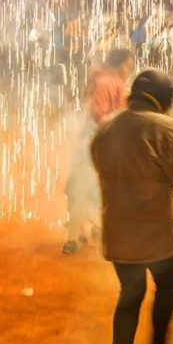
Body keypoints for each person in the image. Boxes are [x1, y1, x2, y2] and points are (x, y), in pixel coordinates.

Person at [91, 67, 173, 344]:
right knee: (168, 284)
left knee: (131, 293)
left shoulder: (106, 127)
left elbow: (100, 164)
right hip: (155, 231)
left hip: (118, 227)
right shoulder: (165, 128)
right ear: (164, 99)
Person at [64, 48, 134, 254]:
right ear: (120, 64)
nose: (129, 68)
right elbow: (100, 113)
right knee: (85, 188)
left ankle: (84, 231)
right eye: (128, 64)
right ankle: (75, 237)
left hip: (94, 142)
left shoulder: (105, 79)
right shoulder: (109, 82)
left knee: (86, 188)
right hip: (96, 143)